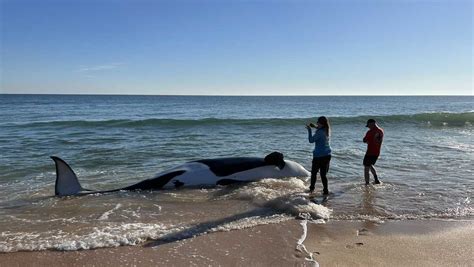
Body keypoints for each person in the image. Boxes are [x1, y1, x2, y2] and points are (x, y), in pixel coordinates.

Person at [306, 116, 332, 195]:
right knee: (323, 175)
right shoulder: (326, 130)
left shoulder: (319, 132)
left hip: (318, 156)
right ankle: (325, 190)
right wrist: (314, 126)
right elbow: (319, 128)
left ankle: (311, 189)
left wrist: (309, 130)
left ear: (322, 124)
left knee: (314, 173)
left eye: (318, 122)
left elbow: (311, 140)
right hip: (327, 155)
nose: (317, 123)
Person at [363, 118, 384, 185]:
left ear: (372, 124)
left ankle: (367, 183)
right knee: (370, 165)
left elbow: (364, 140)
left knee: (366, 167)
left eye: (368, 125)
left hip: (370, 152)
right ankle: (376, 179)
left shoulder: (370, 132)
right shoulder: (381, 131)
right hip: (377, 152)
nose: (368, 127)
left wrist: (367, 140)